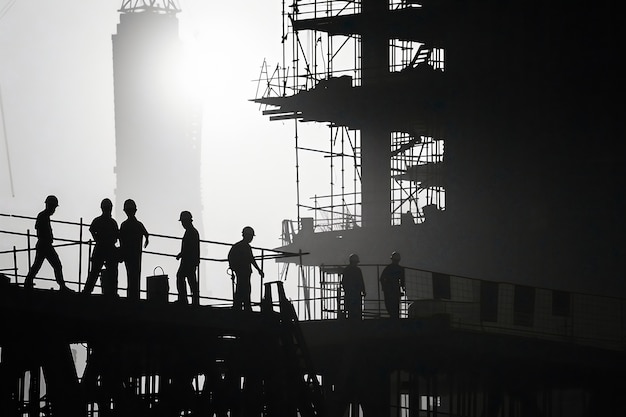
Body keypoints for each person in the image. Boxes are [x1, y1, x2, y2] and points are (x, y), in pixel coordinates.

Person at [23, 195, 70, 291]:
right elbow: (39, 229)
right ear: (50, 206)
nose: (54, 210)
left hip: (44, 244)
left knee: (38, 265)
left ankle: (28, 282)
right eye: (54, 207)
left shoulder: (44, 216)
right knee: (56, 264)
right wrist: (46, 238)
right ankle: (62, 286)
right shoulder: (43, 216)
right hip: (44, 245)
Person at [83, 198, 120, 296]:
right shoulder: (112, 222)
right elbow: (117, 236)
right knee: (111, 272)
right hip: (108, 249)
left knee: (95, 272)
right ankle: (112, 293)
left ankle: (87, 291)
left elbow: (91, 229)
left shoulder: (98, 220)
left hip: (101, 248)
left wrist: (97, 238)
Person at [228, 226, 264, 311]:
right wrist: (259, 270)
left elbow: (230, 257)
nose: (251, 238)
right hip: (244, 272)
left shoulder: (238, 246)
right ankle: (245, 308)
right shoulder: (244, 247)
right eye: (250, 237)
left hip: (242, 272)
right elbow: (251, 259)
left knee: (241, 289)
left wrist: (233, 268)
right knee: (245, 290)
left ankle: (238, 307)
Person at [119, 199, 149, 301]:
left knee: (130, 274)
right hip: (135, 254)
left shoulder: (125, 225)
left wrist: (121, 252)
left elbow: (120, 239)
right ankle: (134, 296)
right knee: (135, 274)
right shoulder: (138, 224)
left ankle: (132, 296)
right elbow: (146, 234)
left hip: (129, 254)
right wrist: (146, 241)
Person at [176, 210, 200, 305]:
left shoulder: (191, 232)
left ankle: (184, 299)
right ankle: (194, 301)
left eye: (183, 222)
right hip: (190, 260)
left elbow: (189, 248)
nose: (182, 224)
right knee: (191, 280)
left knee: (181, 277)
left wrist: (181, 254)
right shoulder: (192, 232)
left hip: (188, 260)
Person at [379, 251, 406, 319]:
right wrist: (403, 288)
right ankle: (395, 318)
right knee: (395, 305)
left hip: (389, 289)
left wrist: (384, 287)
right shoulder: (400, 269)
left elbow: (382, 278)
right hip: (395, 289)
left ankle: (393, 317)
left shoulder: (388, 268)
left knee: (389, 304)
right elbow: (402, 280)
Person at [341, 253, 366, 320]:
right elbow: (361, 281)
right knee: (357, 310)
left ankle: (351, 324)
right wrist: (363, 290)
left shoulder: (346, 270)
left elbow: (344, 282)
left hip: (350, 294)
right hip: (356, 294)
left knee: (350, 311)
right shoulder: (358, 270)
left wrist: (346, 290)